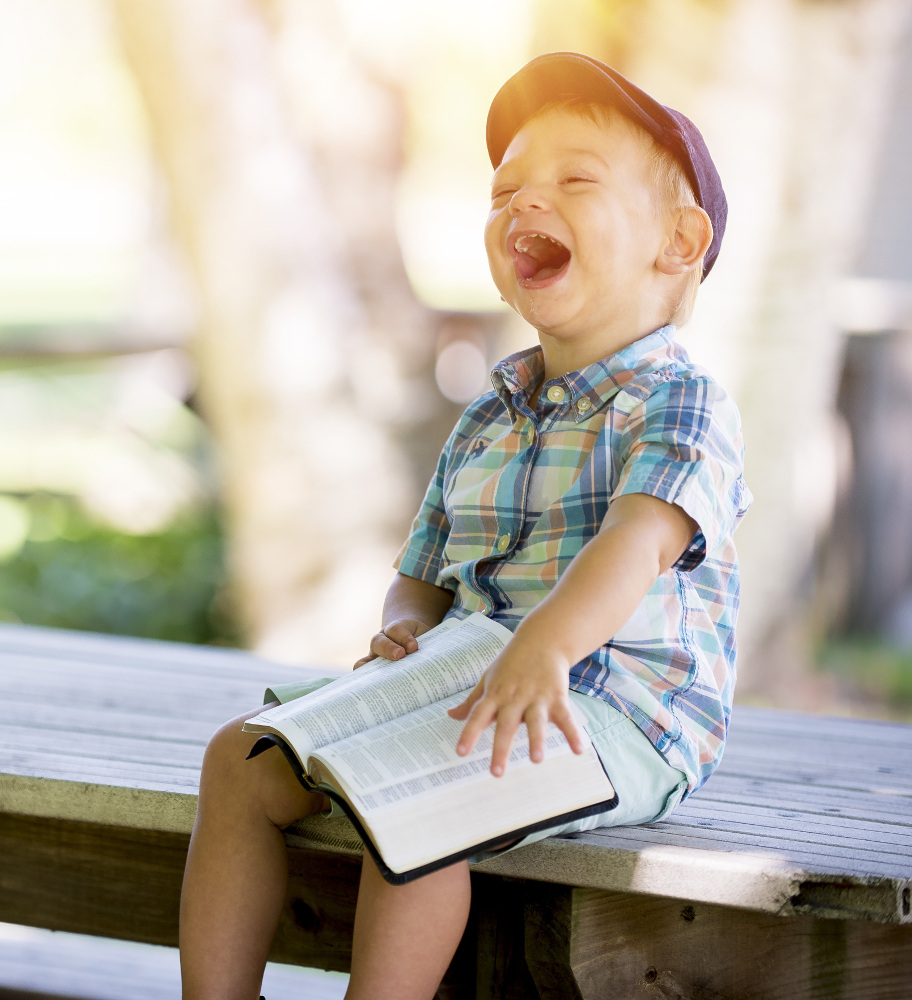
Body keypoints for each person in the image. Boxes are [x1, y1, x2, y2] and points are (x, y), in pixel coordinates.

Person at [178, 51, 751, 1000]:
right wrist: (406, 619)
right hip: (472, 674)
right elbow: (427, 565)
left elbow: (635, 545)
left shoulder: (681, 403)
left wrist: (544, 647)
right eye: (506, 189)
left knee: (422, 797)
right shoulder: (491, 409)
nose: (525, 202)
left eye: (574, 179)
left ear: (679, 243)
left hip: (617, 711)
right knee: (238, 760)